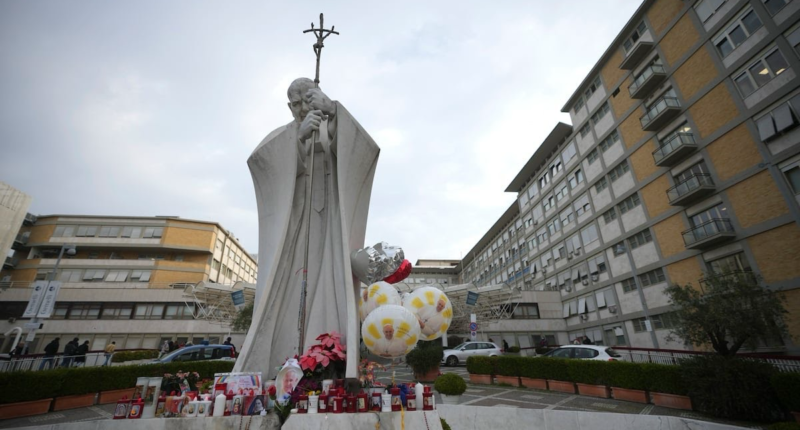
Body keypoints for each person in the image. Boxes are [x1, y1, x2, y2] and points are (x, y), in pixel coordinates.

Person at [235, 78, 380, 380]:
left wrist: (334, 111)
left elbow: (365, 150)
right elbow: (260, 162)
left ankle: (328, 361)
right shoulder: (284, 136)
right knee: (288, 290)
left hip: (330, 230)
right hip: (295, 230)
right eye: (295, 104)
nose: (301, 108)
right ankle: (282, 363)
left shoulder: (333, 127)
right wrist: (297, 140)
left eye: (306, 100)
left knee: (331, 285)